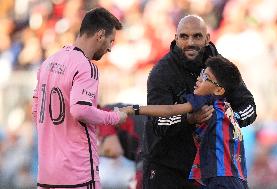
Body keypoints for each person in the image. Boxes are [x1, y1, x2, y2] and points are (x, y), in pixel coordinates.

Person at [141, 15, 257, 189]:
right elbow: (159, 122)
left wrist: (229, 119)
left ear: (207, 39)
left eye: (197, 36)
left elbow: (249, 106)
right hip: (167, 167)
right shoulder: (161, 73)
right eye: (184, 36)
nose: (190, 42)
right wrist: (189, 119)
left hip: (211, 172)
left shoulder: (220, 67)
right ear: (176, 38)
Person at [32, 8, 127, 189]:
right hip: (78, 175)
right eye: (111, 41)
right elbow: (80, 110)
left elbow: (36, 111)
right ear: (100, 35)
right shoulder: (85, 66)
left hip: (46, 175)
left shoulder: (48, 62)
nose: (109, 48)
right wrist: (114, 117)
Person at [121, 55, 249, 188]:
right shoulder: (227, 108)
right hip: (238, 179)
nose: (199, 80)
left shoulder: (205, 101)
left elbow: (169, 110)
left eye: (206, 78)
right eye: (201, 74)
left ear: (218, 90)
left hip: (220, 180)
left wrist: (133, 109)